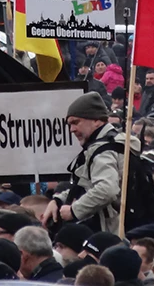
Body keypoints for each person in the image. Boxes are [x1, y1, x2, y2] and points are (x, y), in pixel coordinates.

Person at [44, 93, 127, 234]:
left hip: (115, 233)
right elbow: (86, 186)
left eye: (76, 122)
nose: (72, 130)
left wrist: (74, 210)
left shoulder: (104, 150)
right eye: (69, 124)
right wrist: (58, 200)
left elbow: (107, 189)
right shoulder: (111, 143)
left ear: (96, 120)